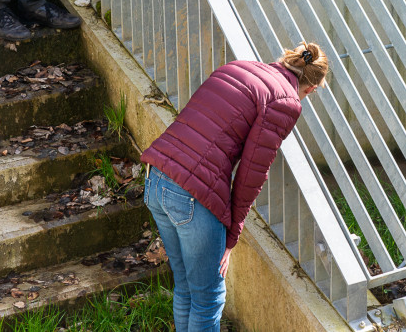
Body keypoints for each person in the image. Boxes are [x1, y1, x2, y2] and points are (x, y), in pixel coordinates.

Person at [140, 42, 329, 332]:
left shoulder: (238, 67)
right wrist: (232, 234)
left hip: (156, 176)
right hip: (192, 196)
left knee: (187, 288)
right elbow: (252, 173)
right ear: (311, 89)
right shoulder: (286, 101)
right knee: (208, 299)